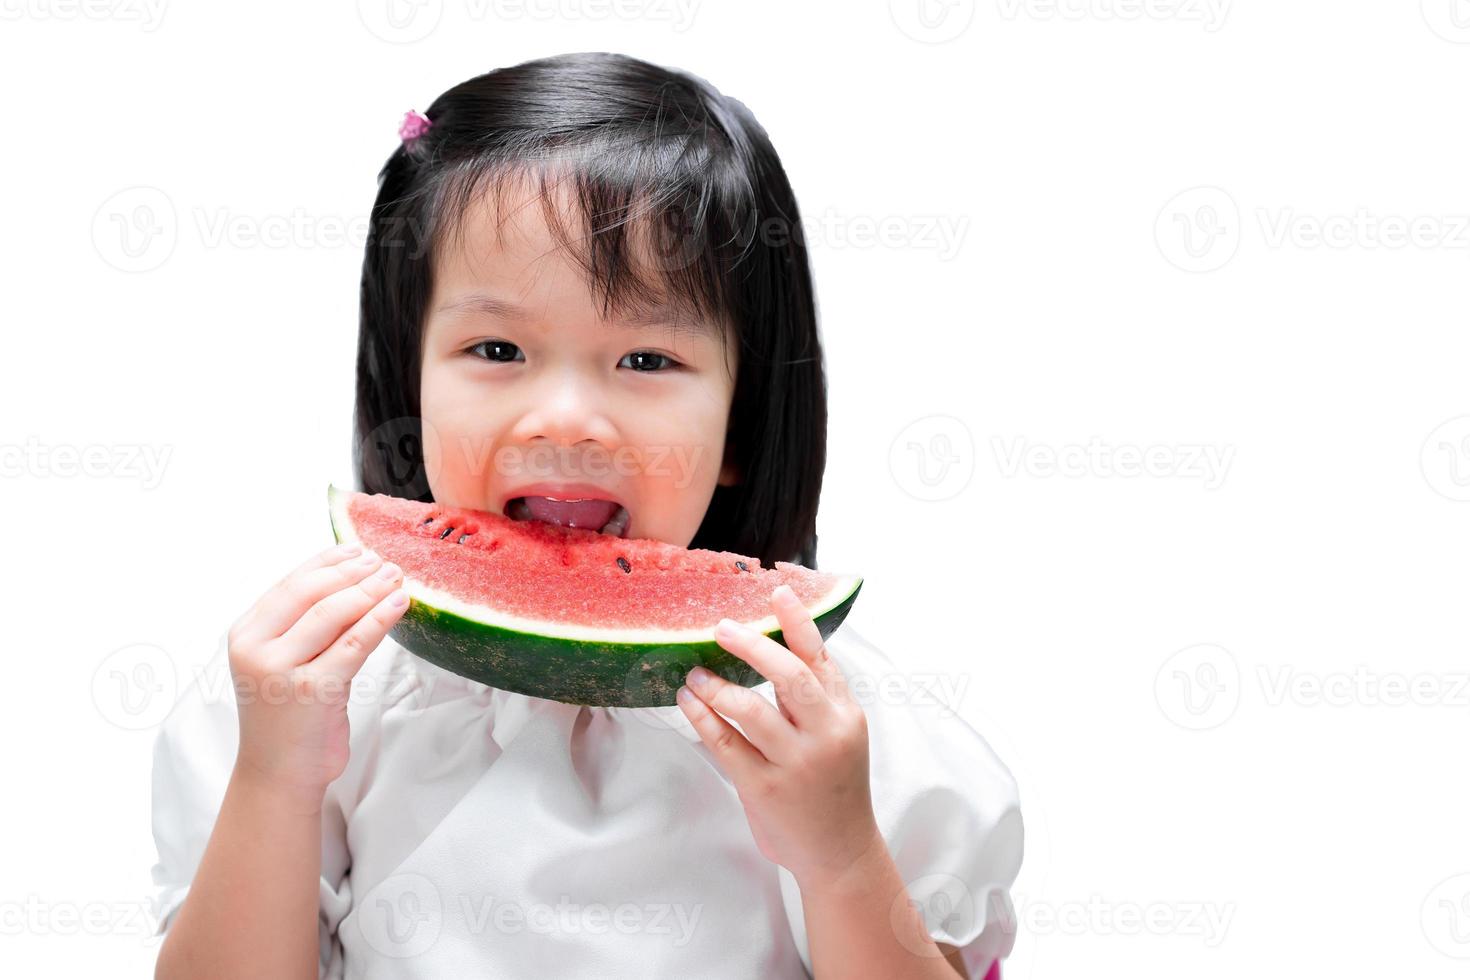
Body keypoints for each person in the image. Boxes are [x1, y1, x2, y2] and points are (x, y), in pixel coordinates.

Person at [149, 52, 1022, 979]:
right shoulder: (323, 696)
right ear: (410, 381)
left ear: (741, 425)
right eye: (496, 347)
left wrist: (840, 853)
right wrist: (275, 777)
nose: (565, 418)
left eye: (646, 360)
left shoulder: (837, 728)